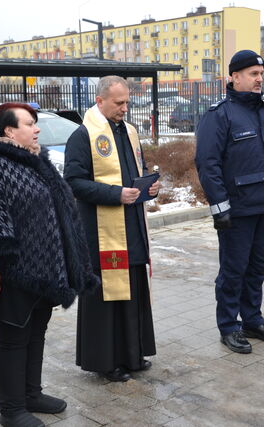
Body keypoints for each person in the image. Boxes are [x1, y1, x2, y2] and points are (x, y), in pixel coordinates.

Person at [0, 103, 98, 427]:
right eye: (30, 123)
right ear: (9, 131)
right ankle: (11, 410)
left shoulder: (36, 160)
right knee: (12, 340)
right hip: (13, 272)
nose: (37, 128)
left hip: (43, 271)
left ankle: (31, 394)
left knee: (36, 333)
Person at [65, 75, 160, 382]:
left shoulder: (130, 132)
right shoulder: (83, 136)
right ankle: (107, 362)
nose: (125, 108)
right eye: (119, 103)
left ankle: (133, 355)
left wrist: (149, 186)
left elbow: (138, 172)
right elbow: (74, 183)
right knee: (107, 299)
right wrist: (114, 194)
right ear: (100, 101)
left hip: (131, 227)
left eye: (127, 102)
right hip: (102, 233)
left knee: (132, 293)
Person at [194, 50, 264, 354]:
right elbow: (207, 164)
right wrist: (219, 206)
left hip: (263, 205)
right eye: (253, 74)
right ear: (234, 77)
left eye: (261, 74)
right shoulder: (219, 114)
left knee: (258, 265)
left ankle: (252, 319)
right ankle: (229, 326)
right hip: (236, 210)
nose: (260, 79)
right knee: (234, 269)